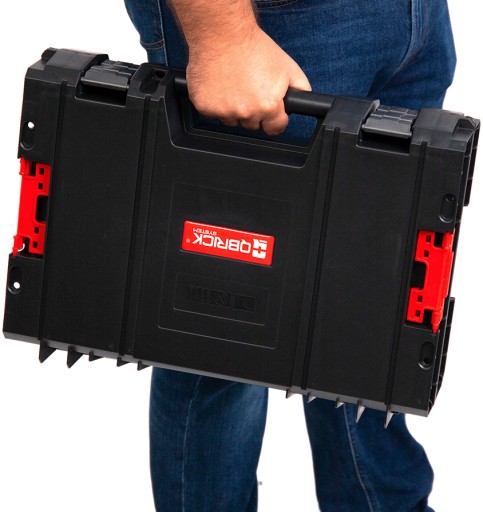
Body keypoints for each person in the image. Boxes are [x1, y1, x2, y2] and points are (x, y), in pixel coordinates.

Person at [123, 1, 456, 510]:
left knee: (373, 299)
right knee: (220, 330)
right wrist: (222, 36)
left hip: (412, 18)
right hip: (276, 21)